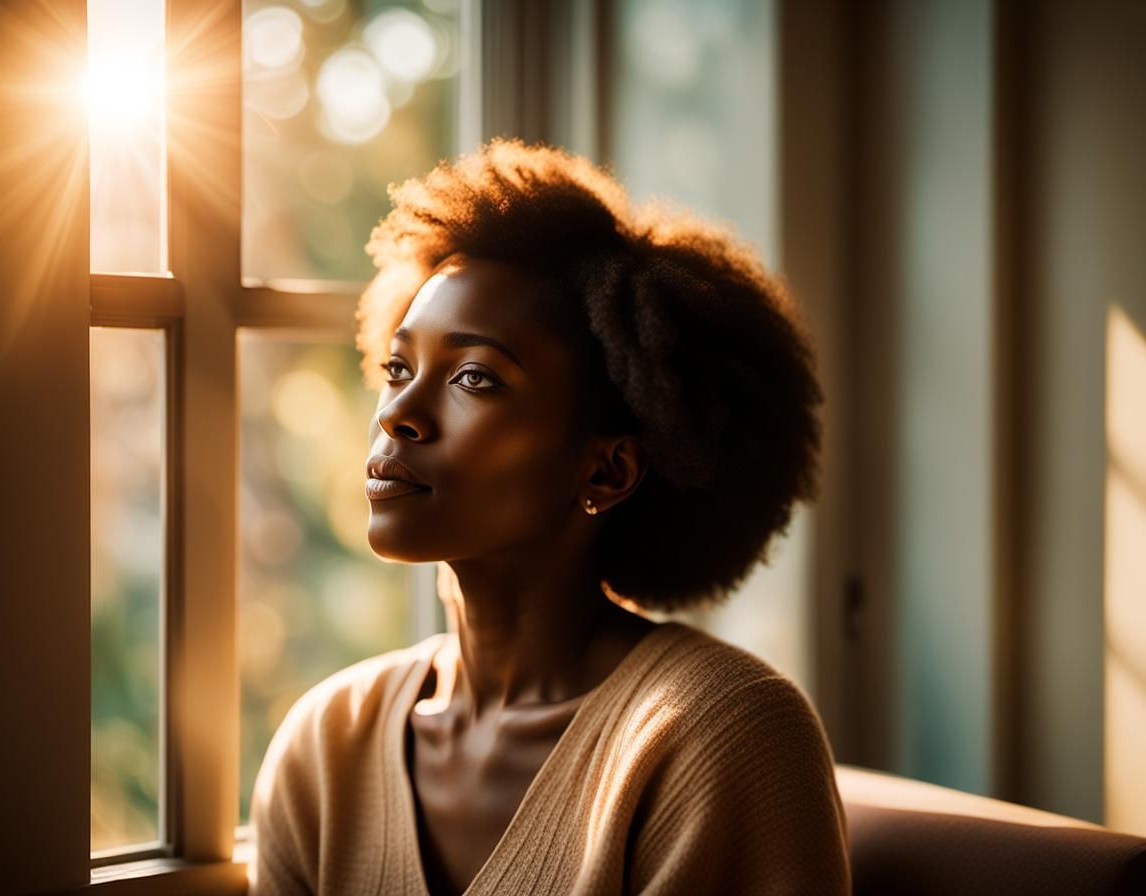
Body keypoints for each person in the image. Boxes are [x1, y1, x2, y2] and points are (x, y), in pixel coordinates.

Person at [248, 140, 850, 895]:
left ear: (606, 471)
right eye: (399, 369)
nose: (398, 414)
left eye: (474, 378)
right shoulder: (326, 746)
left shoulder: (722, 736)